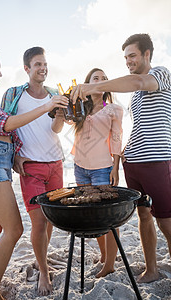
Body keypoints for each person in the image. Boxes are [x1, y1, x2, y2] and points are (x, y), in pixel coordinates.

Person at [71, 33, 171, 283]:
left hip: (157, 160)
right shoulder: (134, 95)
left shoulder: (160, 74)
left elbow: (137, 82)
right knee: (144, 216)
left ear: (147, 54)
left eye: (133, 55)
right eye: (125, 57)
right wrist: (123, 157)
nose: (128, 61)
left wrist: (94, 86)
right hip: (133, 162)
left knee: (166, 220)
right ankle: (151, 269)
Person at [0, 47, 68, 300]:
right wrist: (46, 106)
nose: (0, 74)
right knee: (14, 230)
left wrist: (16, 153)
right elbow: (6, 123)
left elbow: (6, 131)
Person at [1, 46, 67, 296]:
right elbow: (4, 126)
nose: (43, 68)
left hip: (56, 164)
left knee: (50, 219)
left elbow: (57, 129)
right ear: (27, 69)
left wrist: (60, 114)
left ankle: (43, 258)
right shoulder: (14, 95)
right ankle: (43, 270)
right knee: (38, 221)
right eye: (37, 64)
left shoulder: (55, 94)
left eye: (45, 64)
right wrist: (14, 155)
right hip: (30, 167)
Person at [71, 68, 123, 277]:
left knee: (108, 217)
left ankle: (110, 263)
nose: (100, 81)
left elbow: (118, 138)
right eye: (95, 78)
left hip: (102, 168)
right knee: (92, 214)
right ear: (88, 83)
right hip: (79, 167)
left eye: (104, 79)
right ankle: (104, 256)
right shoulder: (79, 109)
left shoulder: (112, 109)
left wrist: (115, 167)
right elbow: (61, 122)